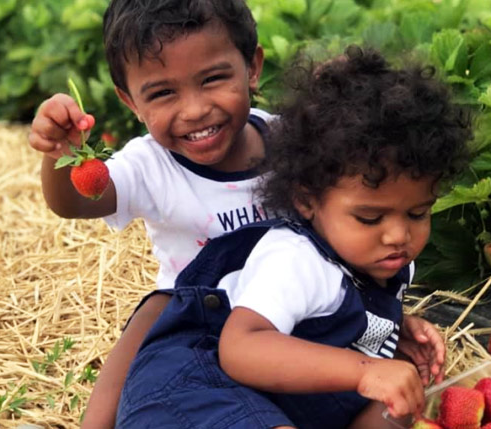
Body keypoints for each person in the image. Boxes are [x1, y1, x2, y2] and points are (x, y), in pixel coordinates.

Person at [114, 47, 472, 429]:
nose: (399, 235)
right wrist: (365, 369)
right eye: (369, 217)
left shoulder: (385, 259)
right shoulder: (295, 260)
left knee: (400, 405)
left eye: (418, 213)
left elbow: (346, 319)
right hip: (199, 388)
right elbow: (240, 349)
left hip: (278, 402)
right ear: (306, 200)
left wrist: (392, 327)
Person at [27, 0, 273, 427]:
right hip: (195, 326)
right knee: (152, 317)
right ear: (130, 102)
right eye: (162, 93)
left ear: (252, 67)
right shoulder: (149, 165)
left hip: (286, 317)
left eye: (213, 79)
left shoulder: (293, 143)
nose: (194, 109)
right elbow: (77, 201)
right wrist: (61, 153)